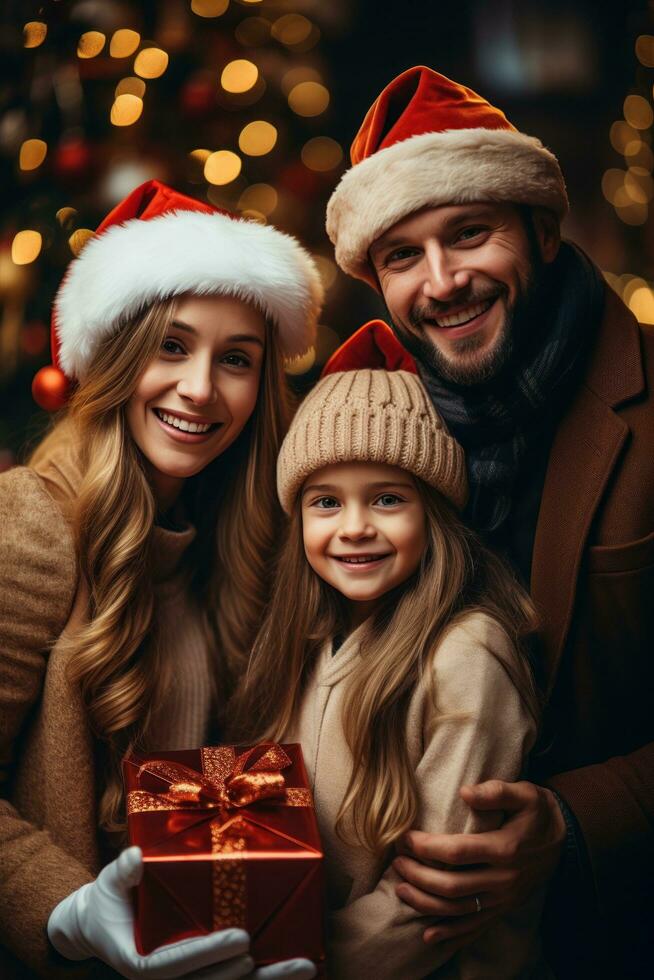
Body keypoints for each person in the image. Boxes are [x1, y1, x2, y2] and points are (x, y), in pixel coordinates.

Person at [323, 66, 654, 977]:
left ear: (543, 231)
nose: (443, 282)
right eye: (401, 256)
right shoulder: (376, 434)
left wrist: (578, 819)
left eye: (470, 234)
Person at [0, 179, 323, 979]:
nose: (201, 389)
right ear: (112, 357)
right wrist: (68, 910)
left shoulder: (244, 540)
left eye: (237, 359)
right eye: (170, 346)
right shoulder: (32, 523)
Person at [230, 368, 547, 979]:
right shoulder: (307, 641)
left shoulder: (466, 656)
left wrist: (289, 963)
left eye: (387, 498)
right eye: (326, 501)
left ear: (433, 510)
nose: (353, 527)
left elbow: (433, 897)